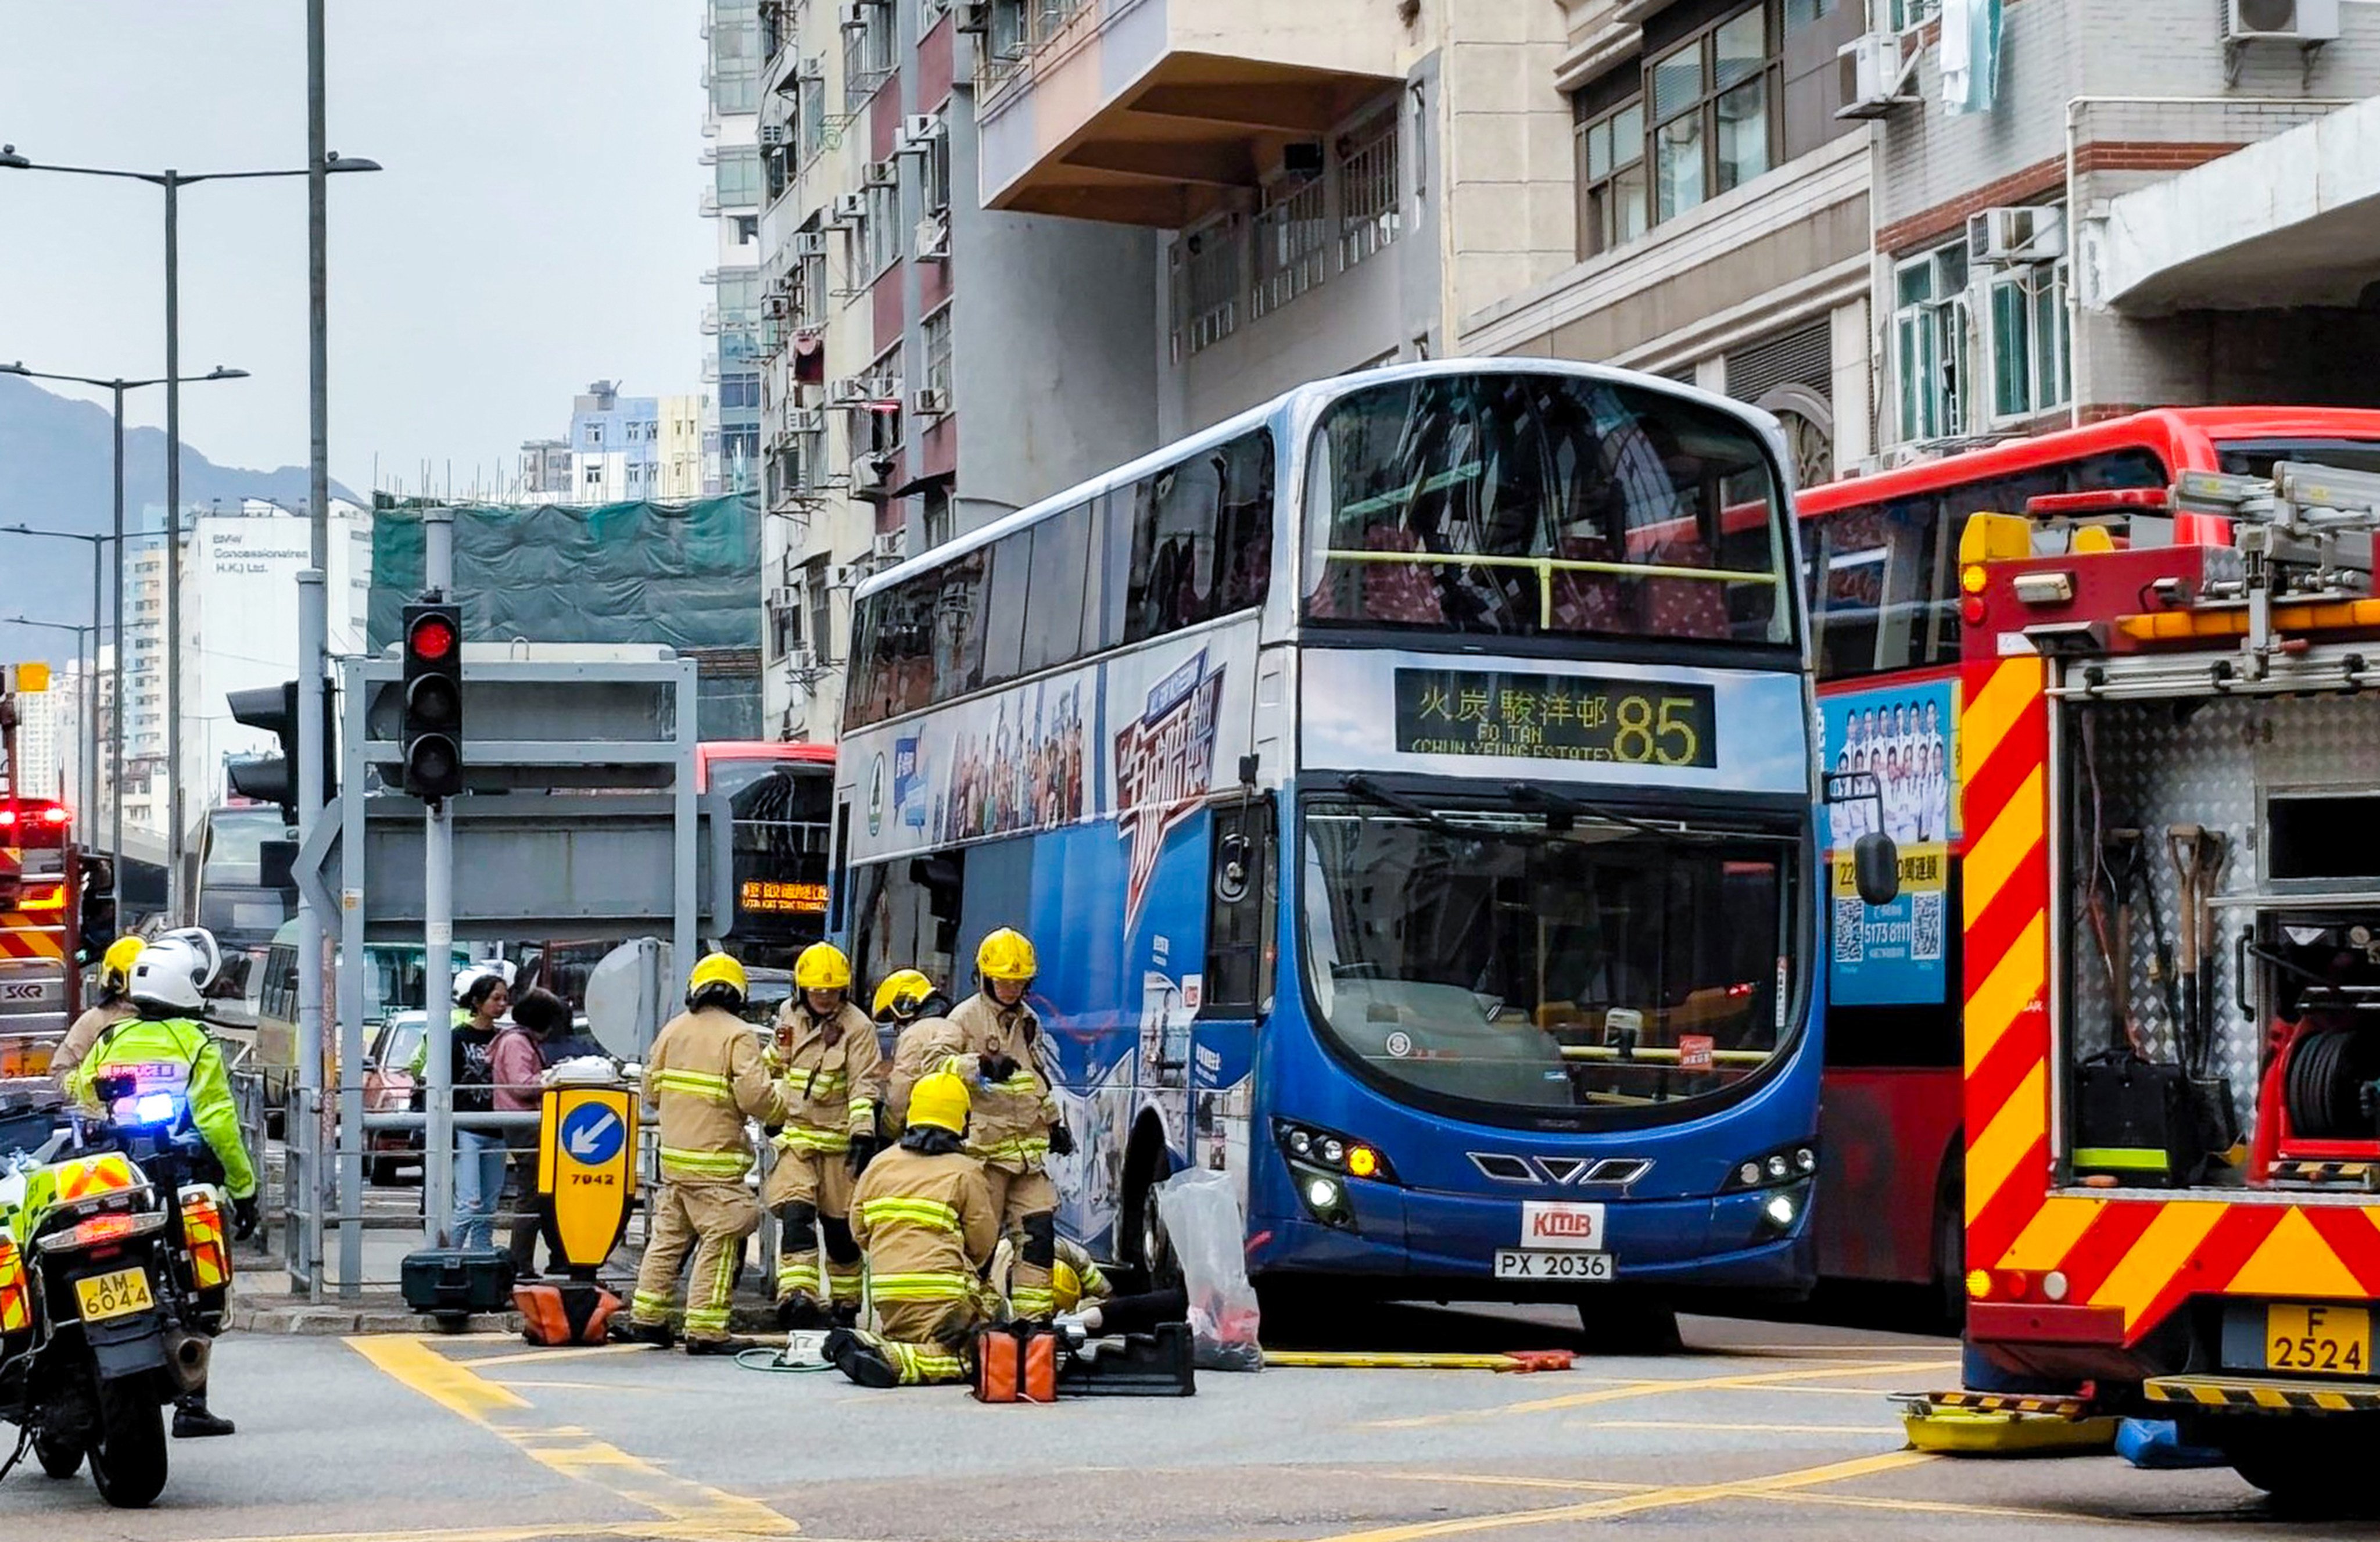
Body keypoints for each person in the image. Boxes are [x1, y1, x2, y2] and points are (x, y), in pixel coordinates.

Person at [66, 928, 256, 1440]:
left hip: (114, 1180)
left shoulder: (110, 1038)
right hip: (179, 1178)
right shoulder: (196, 1042)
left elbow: (80, 1096)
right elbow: (218, 1122)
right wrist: (245, 1188)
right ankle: (193, 1403)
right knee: (198, 1283)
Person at [619, 952, 787, 1354]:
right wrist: (780, 1110)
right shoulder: (738, 1035)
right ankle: (707, 1329)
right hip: (716, 1162)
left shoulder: (673, 1030)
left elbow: (651, 1092)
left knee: (669, 1238)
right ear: (738, 993)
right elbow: (755, 1097)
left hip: (676, 1161)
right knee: (730, 1227)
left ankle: (647, 1318)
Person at [901, 928, 1072, 1320]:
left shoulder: (1028, 1021)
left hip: (1026, 1160)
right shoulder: (963, 1018)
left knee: (1039, 1235)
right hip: (984, 1158)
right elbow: (933, 1065)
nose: (1011, 989)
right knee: (979, 1246)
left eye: (1019, 982)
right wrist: (979, 1066)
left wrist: (1054, 1124)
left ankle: (1033, 1324)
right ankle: (968, 1323)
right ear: (984, 977)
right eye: (1004, 981)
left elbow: (1034, 1079)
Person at [826, 1068, 999, 1386]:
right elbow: (982, 1244)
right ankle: (895, 1360)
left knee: (910, 1336)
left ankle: (869, 1344)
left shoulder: (880, 1163)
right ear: (963, 1120)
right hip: (943, 1294)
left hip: (887, 1290)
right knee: (976, 1356)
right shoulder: (967, 1171)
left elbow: (859, 1229)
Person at [762, 942, 884, 1328]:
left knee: (840, 1231)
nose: (825, 998)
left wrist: (863, 1135)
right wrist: (770, 1106)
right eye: (817, 991)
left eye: (832, 992)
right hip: (798, 1140)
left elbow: (864, 1085)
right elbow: (775, 1061)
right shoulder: (789, 1015)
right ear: (802, 990)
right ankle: (798, 1297)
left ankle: (846, 1305)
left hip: (838, 1144)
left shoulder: (858, 1028)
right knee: (796, 1215)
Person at [494, 987, 568, 1281]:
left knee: (543, 1192)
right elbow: (522, 1085)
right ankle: (522, 1263)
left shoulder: (519, 1040)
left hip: (526, 1124)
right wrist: (554, 1078)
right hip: (526, 1126)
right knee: (533, 1194)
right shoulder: (517, 1043)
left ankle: (557, 1257)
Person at [50, 934, 146, 1081]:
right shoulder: (95, 1021)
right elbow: (61, 1070)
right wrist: (92, 1087)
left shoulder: (174, 1018)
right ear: (117, 980)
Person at [873, 967, 956, 1135]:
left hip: (924, 1130)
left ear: (903, 1006)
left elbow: (901, 1092)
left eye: (894, 1018)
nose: (896, 1025)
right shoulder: (956, 1023)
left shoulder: (914, 1035)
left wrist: (888, 1129)